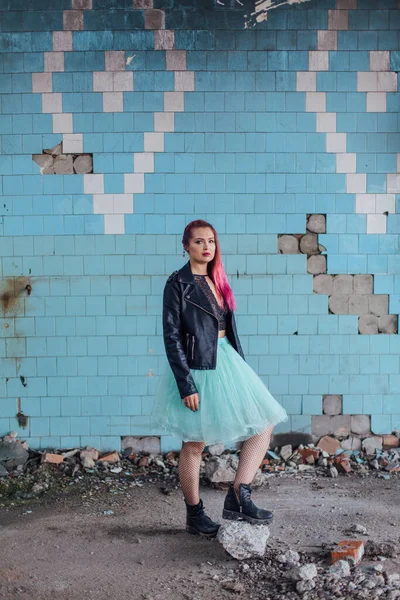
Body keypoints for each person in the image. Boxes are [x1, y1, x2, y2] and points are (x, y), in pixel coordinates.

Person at [151, 219, 288, 538]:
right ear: (185, 246)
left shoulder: (219, 278)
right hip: (198, 367)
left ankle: (239, 494)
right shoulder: (177, 284)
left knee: (264, 422)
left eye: (210, 241)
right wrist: (186, 384)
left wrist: (241, 366)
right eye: (199, 241)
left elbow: (229, 328)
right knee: (195, 442)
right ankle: (195, 514)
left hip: (227, 360)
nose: (206, 247)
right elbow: (171, 337)